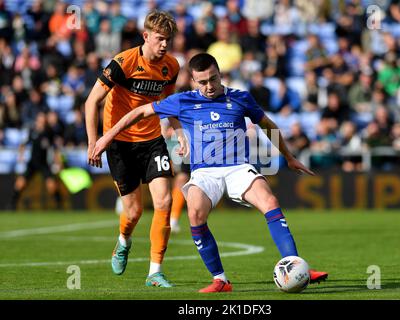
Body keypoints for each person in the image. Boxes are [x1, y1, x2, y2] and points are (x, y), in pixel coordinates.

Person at [90, 53, 328, 293]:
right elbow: (139, 112)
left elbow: (267, 124)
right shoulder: (182, 100)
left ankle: (297, 266)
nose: (209, 86)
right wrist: (106, 138)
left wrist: (289, 157)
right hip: (204, 172)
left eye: (213, 79)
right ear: (193, 81)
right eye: (202, 82)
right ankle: (221, 280)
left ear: (220, 74)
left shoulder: (240, 97)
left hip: (237, 167)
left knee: (270, 200)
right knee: (194, 212)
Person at [85, 11, 183, 288]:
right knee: (134, 212)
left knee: (164, 201)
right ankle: (123, 241)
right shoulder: (123, 62)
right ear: (146, 36)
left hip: (152, 141)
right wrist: (95, 142)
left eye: (169, 40)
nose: (164, 45)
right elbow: (91, 102)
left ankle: (155, 272)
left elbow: (168, 103)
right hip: (119, 144)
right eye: (160, 39)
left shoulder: (171, 66)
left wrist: (178, 131)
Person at [10, 112, 63, 210]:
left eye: (43, 119)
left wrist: (58, 162)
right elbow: (23, 144)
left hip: (44, 163)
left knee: (51, 186)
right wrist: (21, 156)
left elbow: (55, 149)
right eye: (40, 119)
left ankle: (59, 205)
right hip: (32, 164)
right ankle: (12, 205)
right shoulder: (32, 131)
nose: (41, 121)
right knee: (20, 184)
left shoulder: (49, 132)